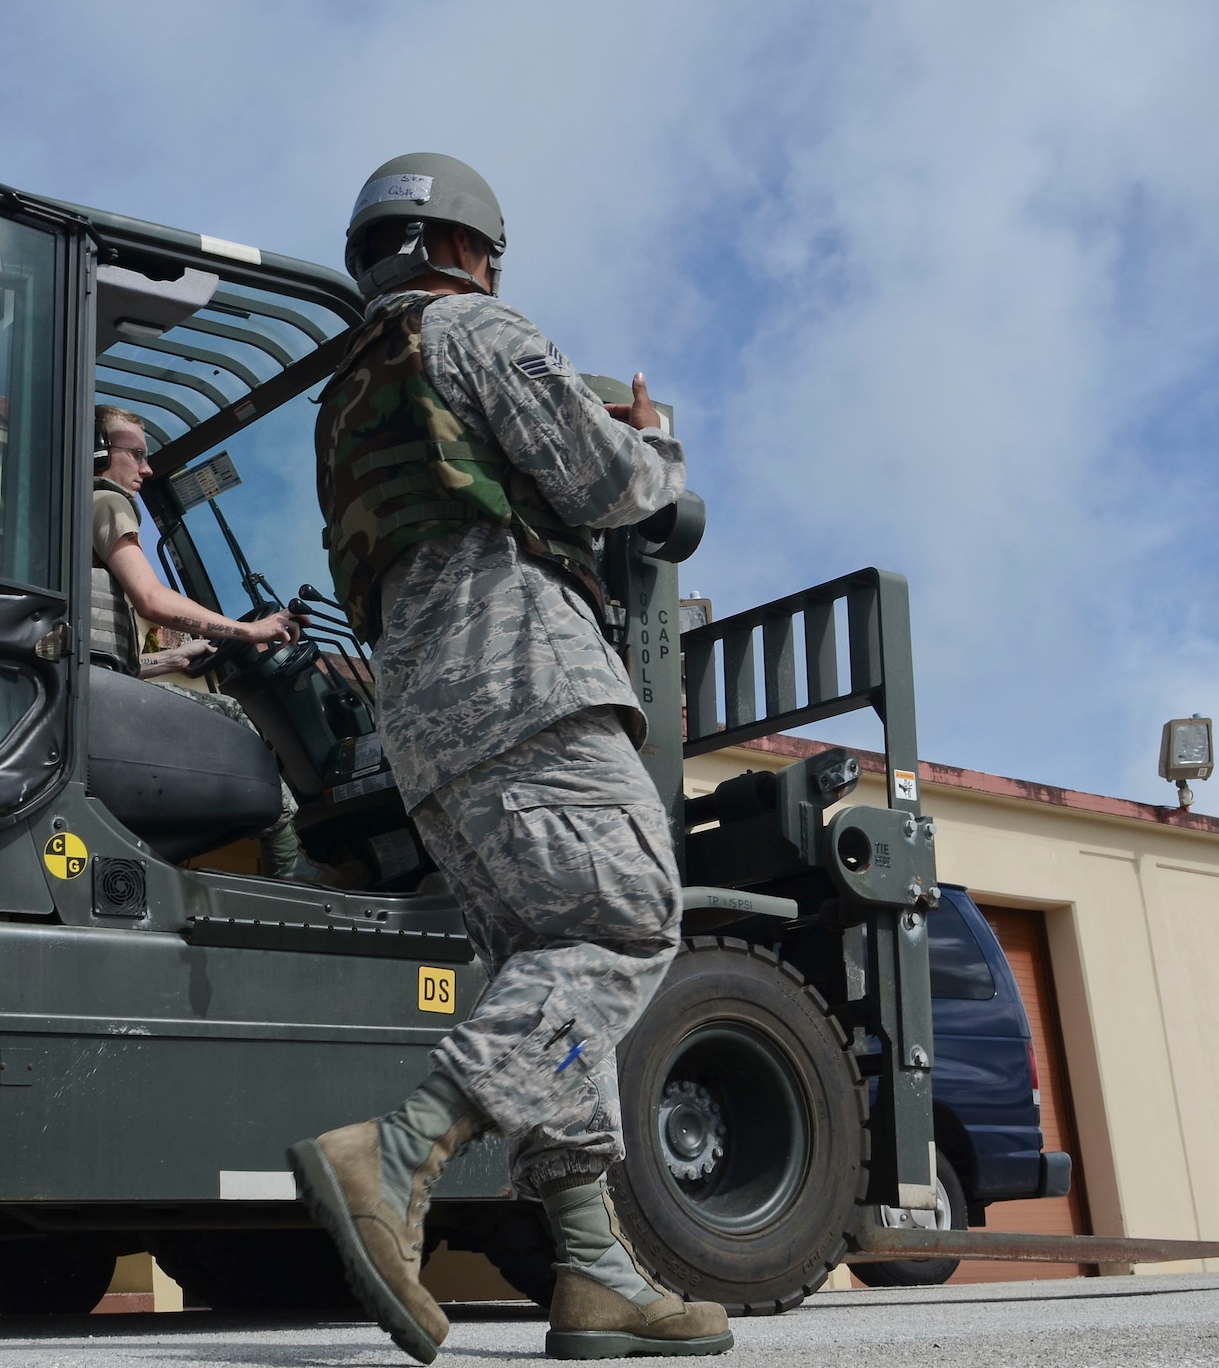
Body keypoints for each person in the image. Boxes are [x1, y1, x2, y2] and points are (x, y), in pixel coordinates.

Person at [286, 155, 732, 1361]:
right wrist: (655, 444)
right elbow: (608, 487)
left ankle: (591, 1275)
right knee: (628, 920)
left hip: (425, 722)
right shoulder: (476, 329)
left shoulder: (344, 395)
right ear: (471, 247)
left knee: (550, 976)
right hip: (522, 679)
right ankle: (393, 1149)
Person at [90, 406, 310, 877]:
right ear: (99, 451)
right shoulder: (106, 502)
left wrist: (175, 654)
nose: (147, 470)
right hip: (97, 705)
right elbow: (151, 599)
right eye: (138, 455)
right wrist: (250, 630)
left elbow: (99, 662)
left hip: (94, 691)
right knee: (229, 716)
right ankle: (288, 862)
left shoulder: (68, 514)